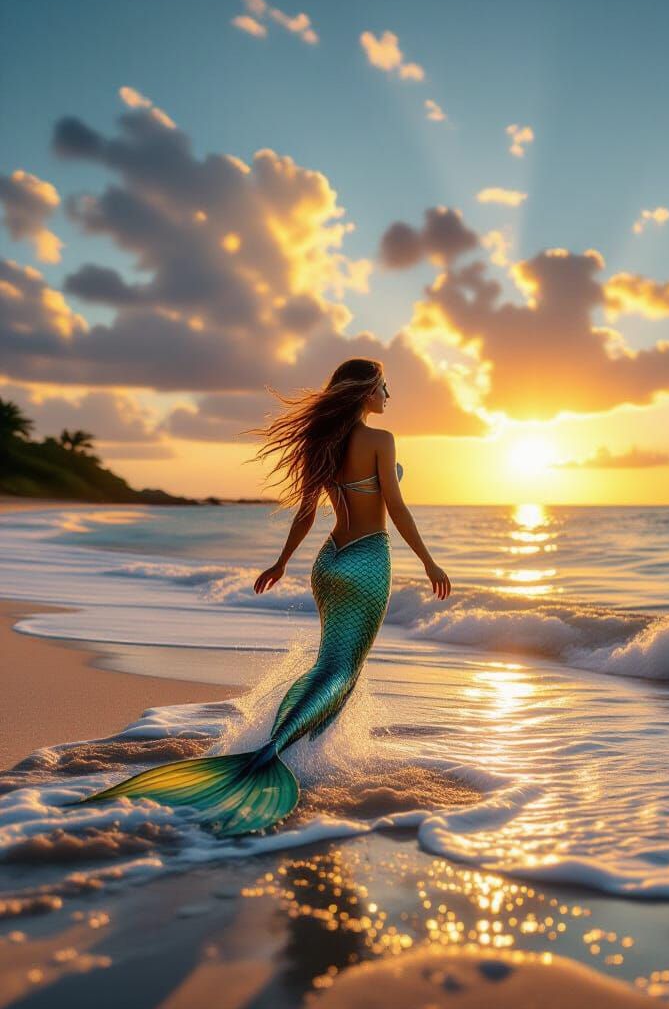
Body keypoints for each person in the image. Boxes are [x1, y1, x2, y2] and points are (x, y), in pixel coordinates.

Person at [72, 358, 450, 837]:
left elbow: (306, 514)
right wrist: (428, 561)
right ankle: (272, 756)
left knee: (327, 666)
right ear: (364, 391)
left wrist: (282, 562)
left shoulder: (323, 443)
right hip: (368, 563)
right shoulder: (381, 441)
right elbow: (395, 507)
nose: (388, 397)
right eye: (383, 387)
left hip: (329, 562)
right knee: (341, 671)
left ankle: (297, 754)